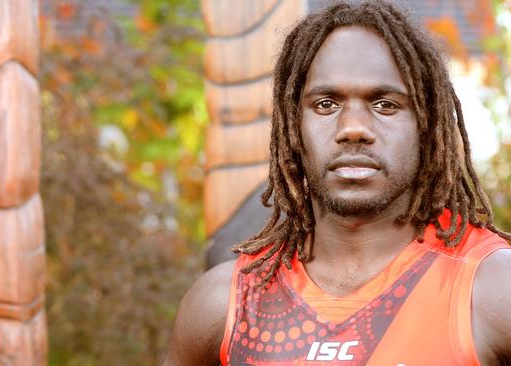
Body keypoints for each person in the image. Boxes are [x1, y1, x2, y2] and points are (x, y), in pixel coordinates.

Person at [163, 1, 511, 365]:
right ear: (293, 127)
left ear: (426, 126)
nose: (353, 128)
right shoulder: (224, 303)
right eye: (326, 104)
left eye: (385, 104)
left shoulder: (491, 291)